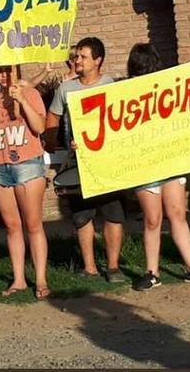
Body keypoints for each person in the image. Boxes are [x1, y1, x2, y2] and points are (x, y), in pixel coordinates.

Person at [124, 43, 190, 290]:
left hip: (168, 159)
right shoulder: (125, 92)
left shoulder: (167, 88)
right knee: (153, 218)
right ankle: (152, 271)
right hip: (146, 162)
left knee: (176, 214)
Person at [44, 37, 126, 282]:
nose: (76, 61)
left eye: (82, 56)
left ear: (98, 60)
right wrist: (56, 143)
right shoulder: (66, 89)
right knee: (82, 216)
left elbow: (123, 120)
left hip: (107, 163)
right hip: (77, 162)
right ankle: (89, 267)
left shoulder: (111, 86)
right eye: (76, 56)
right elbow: (52, 118)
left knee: (113, 213)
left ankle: (113, 267)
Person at [0, 65, 50, 299]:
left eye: (8, 71)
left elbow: (39, 127)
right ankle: (18, 279)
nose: (4, 76)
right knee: (11, 226)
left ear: (17, 72)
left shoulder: (31, 94)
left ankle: (40, 279)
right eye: (0, 71)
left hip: (27, 164)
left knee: (33, 224)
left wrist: (22, 99)